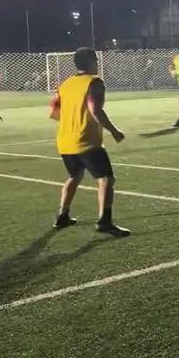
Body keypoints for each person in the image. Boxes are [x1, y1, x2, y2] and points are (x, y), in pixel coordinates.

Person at [50, 47, 129, 237]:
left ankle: (62, 215)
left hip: (65, 140)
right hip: (86, 141)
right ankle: (105, 222)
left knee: (75, 175)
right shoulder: (94, 82)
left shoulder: (65, 84)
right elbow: (95, 110)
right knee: (106, 179)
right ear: (91, 62)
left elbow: (54, 112)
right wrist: (114, 131)